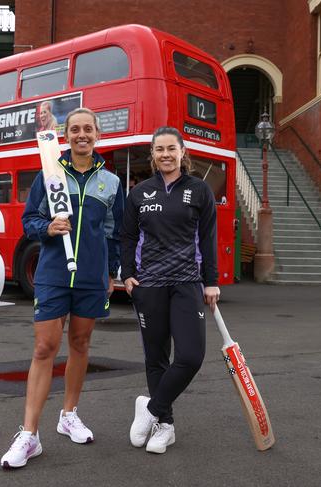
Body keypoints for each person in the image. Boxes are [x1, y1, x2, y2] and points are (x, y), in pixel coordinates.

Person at [0, 108, 124, 468]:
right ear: (66, 136)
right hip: (54, 272)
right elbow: (28, 221)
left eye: (88, 128)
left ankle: (68, 414)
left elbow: (115, 233)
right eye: (75, 129)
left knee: (81, 343)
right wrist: (47, 229)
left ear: (97, 134)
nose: (82, 134)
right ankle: (29, 434)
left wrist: (112, 272)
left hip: (91, 277)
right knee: (44, 347)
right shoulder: (50, 172)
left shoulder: (111, 183)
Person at [120, 126, 220, 454]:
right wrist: (129, 275)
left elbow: (207, 238)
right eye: (159, 149)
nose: (165, 154)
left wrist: (212, 281)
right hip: (148, 286)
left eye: (171, 149)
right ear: (152, 155)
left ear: (182, 152)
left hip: (187, 283)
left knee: (191, 356)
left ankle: (149, 409)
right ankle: (165, 426)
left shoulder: (200, 190)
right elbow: (128, 237)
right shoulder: (139, 193)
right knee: (156, 358)